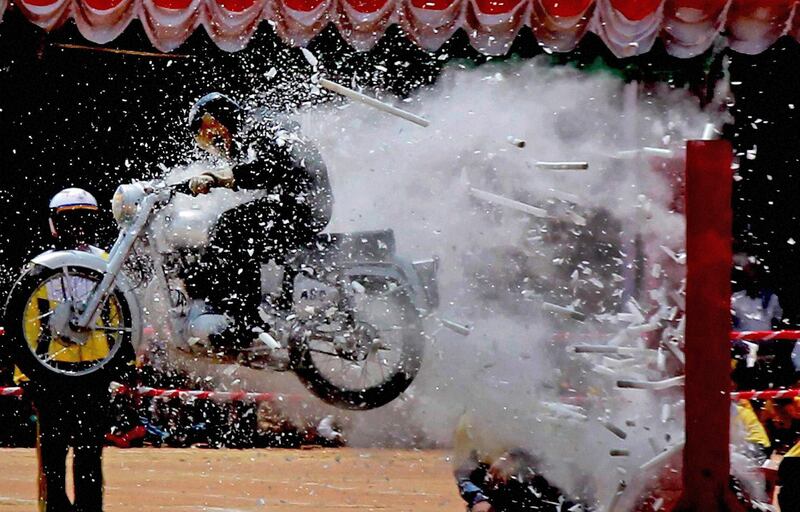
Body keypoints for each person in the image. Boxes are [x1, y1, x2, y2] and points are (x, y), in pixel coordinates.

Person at [183, 93, 333, 349]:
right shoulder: (250, 130)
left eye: (209, 130)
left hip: (305, 203)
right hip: (294, 202)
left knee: (233, 225)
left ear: (218, 118)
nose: (212, 141)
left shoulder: (260, 124)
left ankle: (245, 322)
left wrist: (219, 177)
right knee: (228, 224)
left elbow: (273, 167)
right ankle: (237, 308)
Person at [16, 188, 132, 511]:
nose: (77, 227)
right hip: (69, 375)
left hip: (70, 375)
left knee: (71, 452)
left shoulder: (48, 266)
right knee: (82, 453)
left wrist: (25, 375)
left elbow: (28, 328)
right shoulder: (104, 264)